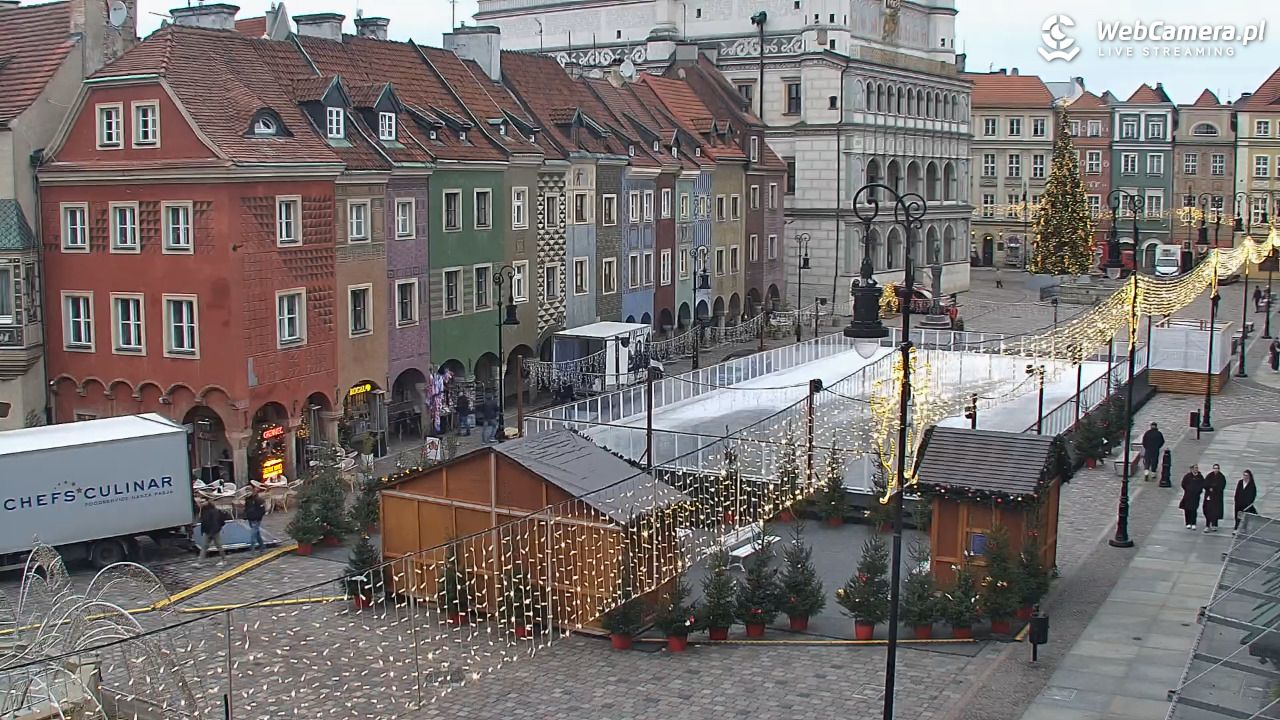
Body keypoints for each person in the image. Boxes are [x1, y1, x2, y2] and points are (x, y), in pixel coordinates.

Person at [198, 499, 228, 565]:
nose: (201, 503)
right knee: (204, 547)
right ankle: (200, 562)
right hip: (208, 531)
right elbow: (202, 520)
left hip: (214, 531)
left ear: (207, 502)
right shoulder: (203, 510)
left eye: (203, 502)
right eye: (200, 502)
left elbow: (215, 522)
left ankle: (224, 560)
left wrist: (213, 531)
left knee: (218, 546)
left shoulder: (213, 511)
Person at [1203, 463, 1227, 533]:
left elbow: (1222, 486)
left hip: (1217, 498)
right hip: (1209, 496)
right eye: (1214, 468)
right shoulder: (1209, 475)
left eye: (1217, 468)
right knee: (1208, 511)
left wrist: (1214, 487)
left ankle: (1214, 524)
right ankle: (1207, 525)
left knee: (1215, 511)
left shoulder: (1221, 477)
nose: (1216, 470)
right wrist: (1210, 487)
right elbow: (1205, 484)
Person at [1179, 465, 1204, 530]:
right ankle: (1188, 523)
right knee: (1187, 509)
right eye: (1195, 468)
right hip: (1188, 495)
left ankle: (1193, 523)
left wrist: (1198, 491)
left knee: (1194, 509)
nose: (1196, 469)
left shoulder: (1200, 477)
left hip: (1195, 496)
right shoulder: (1187, 476)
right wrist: (1188, 489)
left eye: (1197, 468)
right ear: (1192, 469)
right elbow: (1183, 484)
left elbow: (1202, 484)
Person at [1234, 469, 1259, 534]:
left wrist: (1249, 503)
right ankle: (1236, 528)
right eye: (1244, 475)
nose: (1245, 476)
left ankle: (1243, 528)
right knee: (1238, 516)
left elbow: (1253, 494)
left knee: (1245, 517)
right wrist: (1236, 500)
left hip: (1246, 504)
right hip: (1239, 503)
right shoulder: (1240, 482)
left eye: (1246, 475)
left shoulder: (1251, 485)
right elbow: (1237, 492)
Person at [243, 487, 267, 553]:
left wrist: (259, 516)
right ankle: (262, 546)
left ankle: (252, 547)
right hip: (250, 518)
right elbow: (246, 508)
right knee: (257, 532)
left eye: (248, 491)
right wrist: (245, 516)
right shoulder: (247, 499)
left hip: (256, 518)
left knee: (253, 532)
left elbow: (263, 509)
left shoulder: (258, 499)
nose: (247, 493)